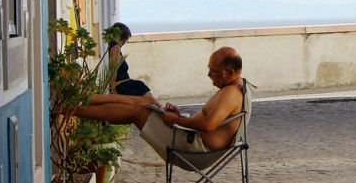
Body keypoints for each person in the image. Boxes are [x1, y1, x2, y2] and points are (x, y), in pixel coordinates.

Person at [76, 46, 248, 156]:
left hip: (196, 149)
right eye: (209, 69)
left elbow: (207, 126)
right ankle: (89, 99)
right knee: (147, 100)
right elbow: (206, 122)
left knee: (139, 111)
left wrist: (177, 120)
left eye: (214, 71)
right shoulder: (232, 88)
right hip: (190, 138)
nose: (209, 75)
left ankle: (75, 108)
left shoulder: (231, 93)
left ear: (230, 73)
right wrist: (179, 117)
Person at [99, 22, 152, 98]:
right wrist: (113, 90)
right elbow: (113, 70)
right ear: (121, 38)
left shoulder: (112, 45)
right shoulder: (115, 48)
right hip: (121, 85)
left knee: (140, 85)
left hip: (123, 83)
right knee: (141, 86)